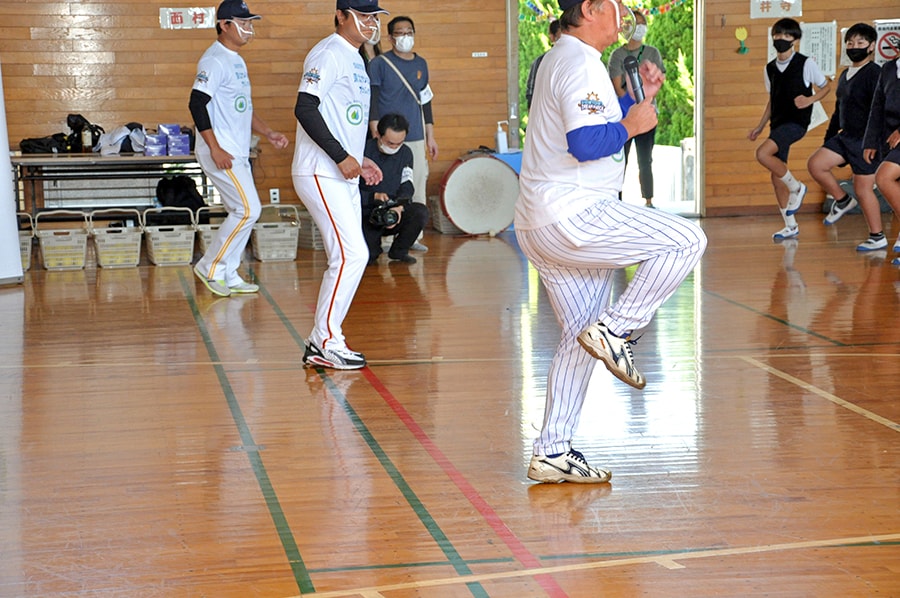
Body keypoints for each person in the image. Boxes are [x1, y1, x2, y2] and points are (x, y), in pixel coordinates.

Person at [515, 0, 707, 484]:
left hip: (539, 222)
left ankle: (552, 451)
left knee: (579, 338)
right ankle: (618, 330)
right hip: (574, 215)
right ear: (591, 8)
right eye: (617, 5)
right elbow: (585, 144)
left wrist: (635, 104)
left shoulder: (563, 57)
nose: (624, 13)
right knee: (687, 239)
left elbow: (590, 127)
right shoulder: (580, 62)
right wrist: (631, 125)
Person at [292, 0, 387, 370]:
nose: (370, 23)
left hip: (340, 171)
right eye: (363, 16)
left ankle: (323, 340)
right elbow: (305, 108)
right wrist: (340, 155)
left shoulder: (356, 58)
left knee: (347, 255)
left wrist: (358, 158)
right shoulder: (329, 52)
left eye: (374, 17)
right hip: (320, 170)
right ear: (341, 16)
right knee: (352, 254)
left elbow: (341, 117)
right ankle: (326, 341)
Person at [190, 0, 289, 297]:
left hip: (238, 150)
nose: (249, 28)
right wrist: (215, 148)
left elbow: (243, 108)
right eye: (243, 23)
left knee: (244, 211)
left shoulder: (237, 60)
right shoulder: (214, 60)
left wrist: (268, 132)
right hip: (221, 151)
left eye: (250, 23)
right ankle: (210, 267)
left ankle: (229, 273)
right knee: (248, 209)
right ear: (224, 25)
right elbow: (196, 104)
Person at [748, 18, 831, 241]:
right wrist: (760, 126)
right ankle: (790, 225)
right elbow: (772, 101)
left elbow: (826, 87)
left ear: (795, 39)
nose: (781, 39)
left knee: (762, 154)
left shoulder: (805, 63)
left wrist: (809, 99)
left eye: (786, 35)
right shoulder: (769, 69)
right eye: (777, 35)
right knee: (777, 177)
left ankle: (797, 188)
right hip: (777, 124)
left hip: (796, 123)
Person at [807, 24, 882, 251]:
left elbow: (879, 109)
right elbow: (838, 110)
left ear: (871, 46)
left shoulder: (874, 73)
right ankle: (842, 200)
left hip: (865, 141)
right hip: (845, 137)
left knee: (863, 189)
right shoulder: (844, 75)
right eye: (850, 43)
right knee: (816, 164)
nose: (853, 46)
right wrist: (829, 139)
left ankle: (877, 236)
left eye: (860, 43)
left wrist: (873, 142)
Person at [367, 15, 437, 252]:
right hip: (386, 135)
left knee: (416, 183)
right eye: (400, 33)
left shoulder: (421, 64)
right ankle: (385, 236)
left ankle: (411, 238)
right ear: (390, 37)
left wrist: (430, 135)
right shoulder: (379, 64)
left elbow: (425, 101)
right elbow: (372, 98)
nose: (405, 37)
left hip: (415, 134)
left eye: (409, 32)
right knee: (386, 183)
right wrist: (375, 127)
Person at [607, 10, 665, 208]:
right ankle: (616, 201)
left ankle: (648, 201)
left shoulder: (652, 53)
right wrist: (631, 104)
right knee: (620, 160)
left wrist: (644, 101)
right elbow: (617, 87)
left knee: (645, 160)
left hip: (648, 115)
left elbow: (657, 83)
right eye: (636, 24)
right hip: (624, 117)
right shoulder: (617, 55)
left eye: (642, 24)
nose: (639, 28)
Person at [360, 114, 429, 264]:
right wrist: (373, 197)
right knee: (370, 258)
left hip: (393, 208)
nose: (394, 148)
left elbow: (407, 183)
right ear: (378, 135)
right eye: (390, 143)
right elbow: (349, 190)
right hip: (367, 212)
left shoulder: (406, 153)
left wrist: (399, 206)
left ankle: (399, 251)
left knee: (420, 212)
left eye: (399, 143)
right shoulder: (362, 151)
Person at [863, 56, 900, 265]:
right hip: (890, 138)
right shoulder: (888, 68)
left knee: (884, 177)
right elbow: (877, 106)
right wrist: (870, 141)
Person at [525, 19, 562, 110]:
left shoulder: (577, 60)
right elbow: (531, 93)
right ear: (552, 37)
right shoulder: (540, 61)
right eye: (560, 37)